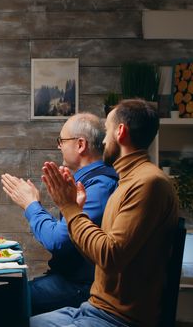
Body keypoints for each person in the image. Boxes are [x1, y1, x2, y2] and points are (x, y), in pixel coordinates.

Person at [32, 99, 179, 327]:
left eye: (107, 131)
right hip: (94, 306)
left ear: (120, 132)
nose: (103, 140)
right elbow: (98, 254)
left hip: (120, 318)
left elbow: (109, 257)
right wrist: (74, 211)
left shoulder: (148, 183)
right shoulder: (127, 181)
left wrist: (71, 210)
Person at [0, 113, 118, 325]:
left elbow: (58, 241)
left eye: (62, 141)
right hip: (68, 278)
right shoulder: (88, 181)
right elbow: (65, 232)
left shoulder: (98, 187)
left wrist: (31, 205)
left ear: (80, 144)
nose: (59, 146)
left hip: (81, 286)